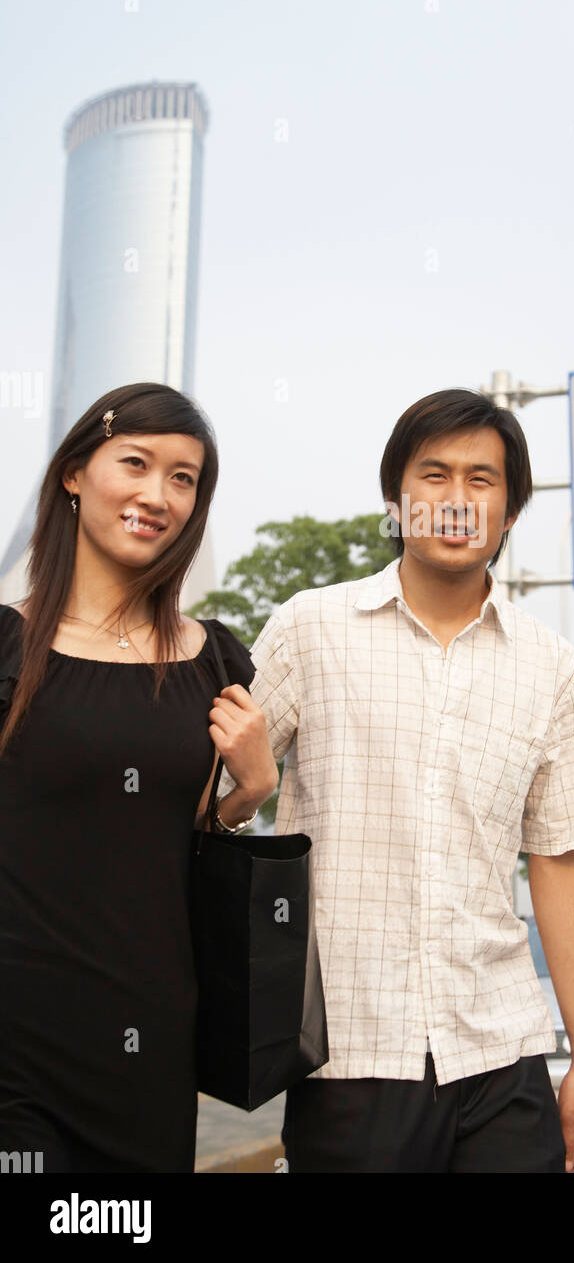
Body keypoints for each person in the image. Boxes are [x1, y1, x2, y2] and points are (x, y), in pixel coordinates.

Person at [217, 387, 574, 1173]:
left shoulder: (554, 669)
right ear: (397, 499)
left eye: (482, 479)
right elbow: (211, 799)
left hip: (503, 1050)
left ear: (510, 508)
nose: (456, 500)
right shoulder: (309, 628)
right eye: (433, 476)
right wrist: (246, 797)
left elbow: (561, 864)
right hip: (351, 1057)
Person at [0, 383, 278, 1173]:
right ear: (75, 473)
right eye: (137, 463)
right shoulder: (6, 646)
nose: (158, 495)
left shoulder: (216, 660)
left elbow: (177, 848)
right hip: (15, 1043)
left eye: (185, 479)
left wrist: (247, 796)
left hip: (151, 1044)